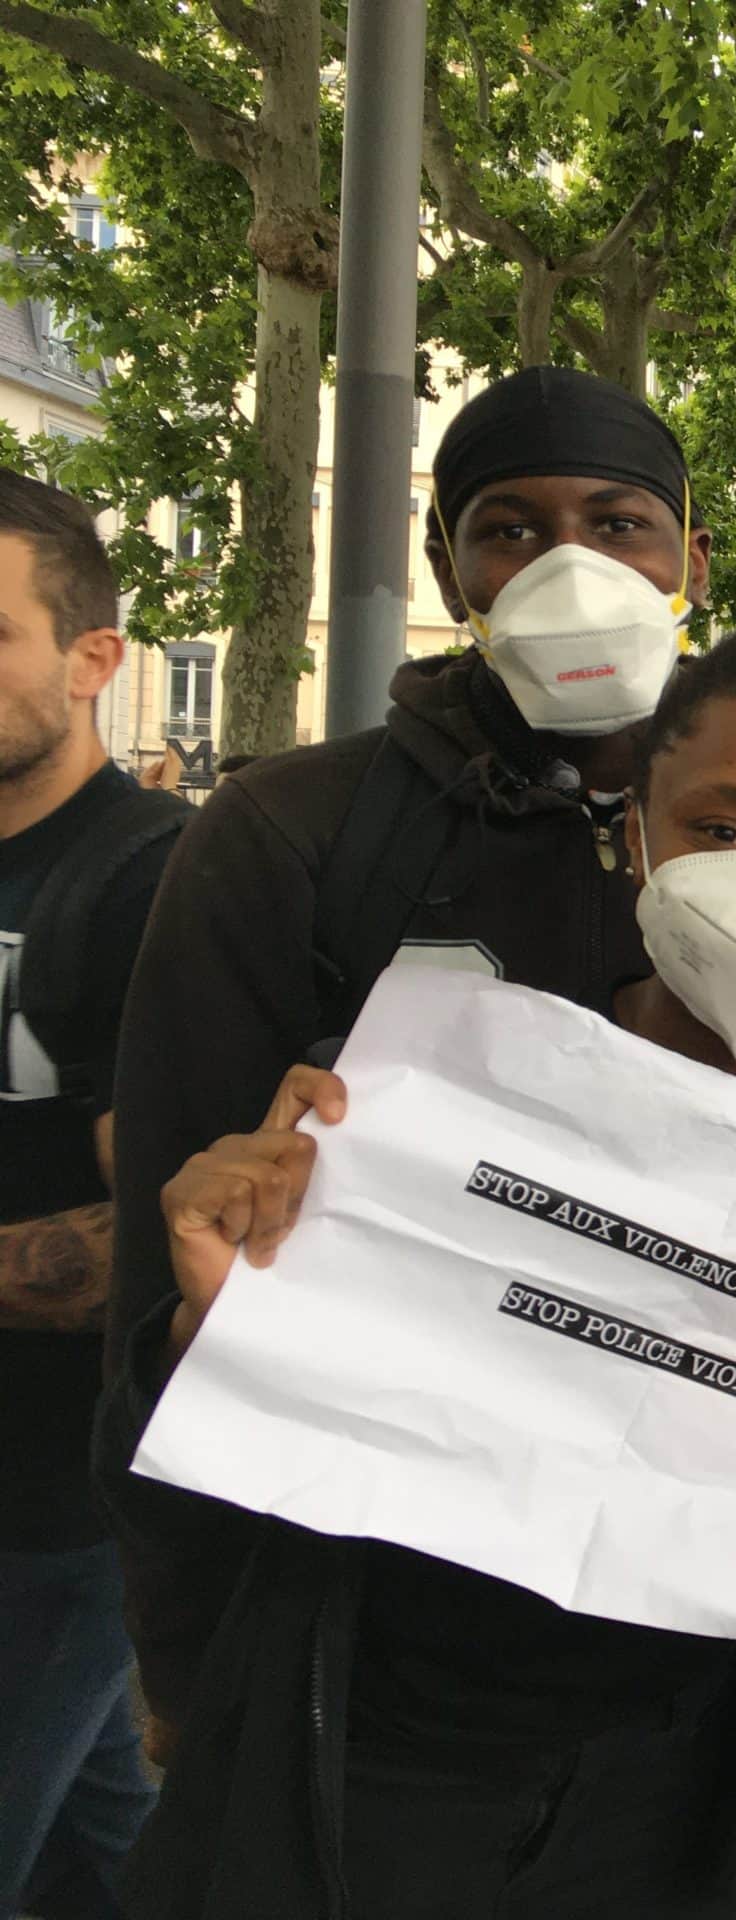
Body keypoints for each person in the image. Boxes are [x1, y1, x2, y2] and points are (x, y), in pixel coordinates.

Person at [114, 615, 736, 1916]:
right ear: (637, 830)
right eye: (726, 830)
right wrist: (221, 1309)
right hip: (385, 1758)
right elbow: (218, 1424)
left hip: (697, 1790)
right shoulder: (442, 1086)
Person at [0, 471, 169, 1919]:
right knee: (99, 1847)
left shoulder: (154, 880)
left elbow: (161, 1244)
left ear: (92, 658)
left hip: (48, 1503)